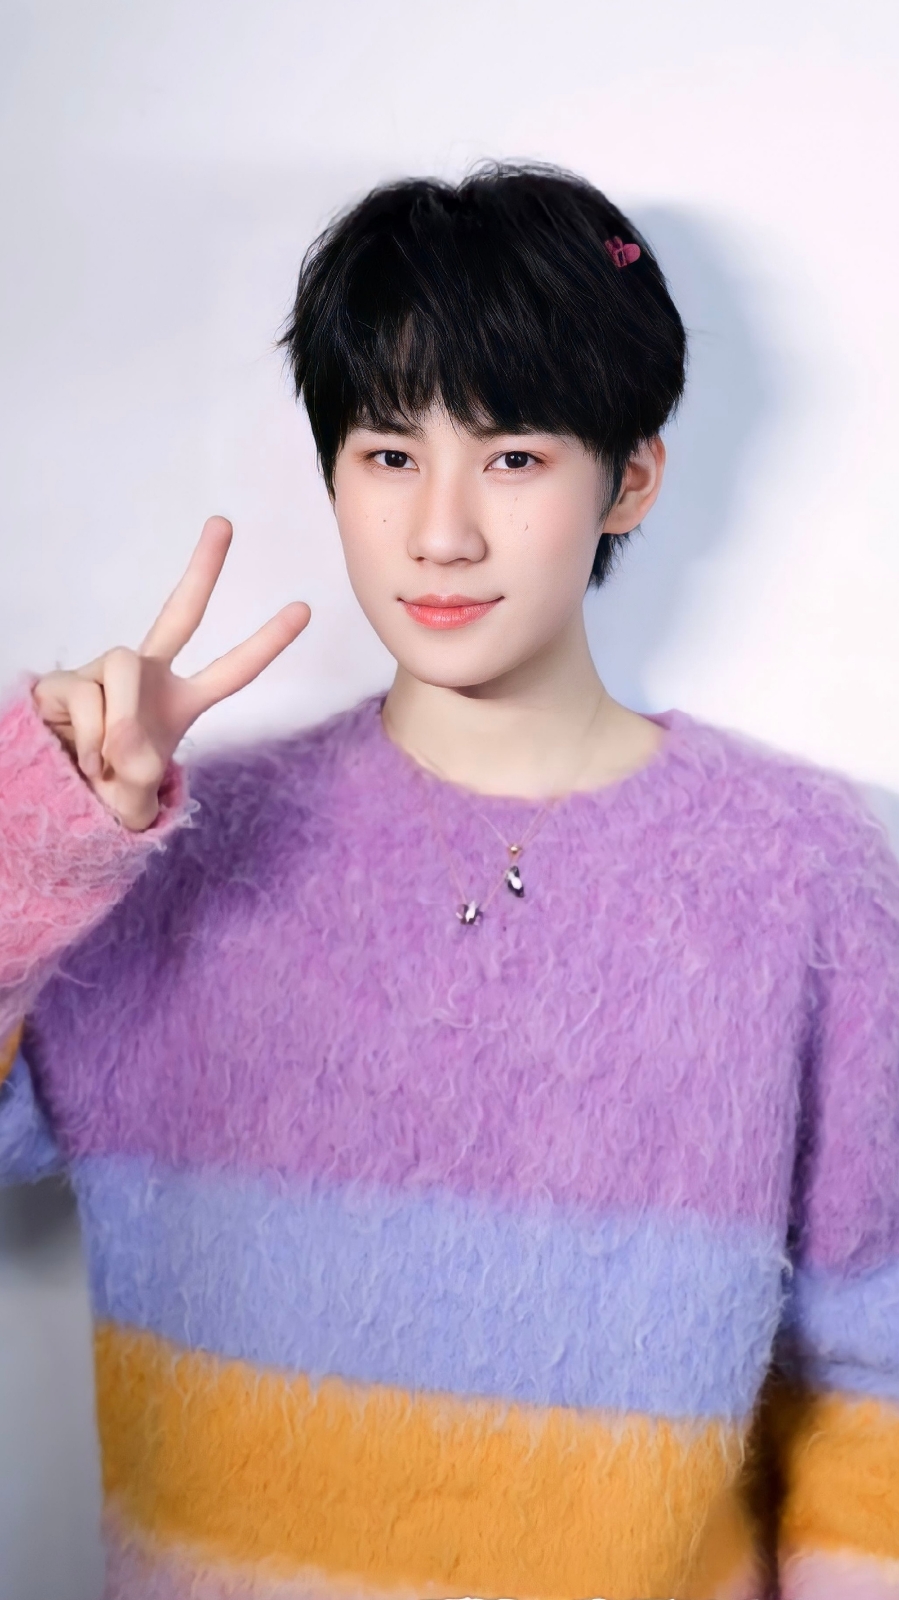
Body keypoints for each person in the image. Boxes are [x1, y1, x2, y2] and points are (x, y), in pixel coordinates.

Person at [0, 161, 897, 1600]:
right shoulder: (178, 845)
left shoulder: (803, 875)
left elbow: (877, 1377)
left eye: (515, 457)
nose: (441, 532)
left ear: (633, 478)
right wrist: (36, 838)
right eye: (388, 454)